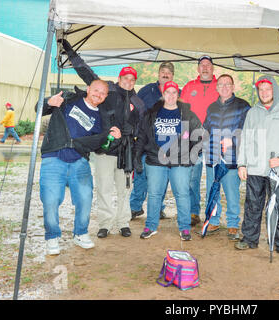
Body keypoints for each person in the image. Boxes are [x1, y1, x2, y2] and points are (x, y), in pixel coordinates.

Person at [61, 39, 145, 239]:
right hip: (104, 150)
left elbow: (142, 129)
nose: (128, 82)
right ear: (119, 78)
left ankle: (123, 222)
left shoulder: (138, 102)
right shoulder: (107, 91)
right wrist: (71, 54)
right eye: (125, 78)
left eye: (132, 79)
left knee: (124, 189)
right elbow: (87, 73)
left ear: (134, 82)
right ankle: (105, 224)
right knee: (104, 188)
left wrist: (131, 132)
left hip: (125, 153)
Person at [39, 80, 121, 255]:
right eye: (96, 90)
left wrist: (114, 139)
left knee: (85, 198)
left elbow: (100, 147)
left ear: (106, 97)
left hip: (79, 161)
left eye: (102, 93)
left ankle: (80, 233)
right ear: (88, 89)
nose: (98, 95)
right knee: (50, 200)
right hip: (54, 157)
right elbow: (38, 108)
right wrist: (48, 102)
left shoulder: (101, 118)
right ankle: (52, 236)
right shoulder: (69, 99)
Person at [235, 75, 279, 258]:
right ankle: (249, 238)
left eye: (267, 89)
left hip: (277, 170)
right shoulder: (252, 113)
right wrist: (242, 163)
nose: (264, 93)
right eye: (261, 89)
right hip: (255, 168)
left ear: (274, 90)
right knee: (252, 204)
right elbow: (245, 140)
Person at [134, 81, 202, 241]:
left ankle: (184, 228)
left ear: (178, 95)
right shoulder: (151, 113)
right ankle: (150, 226)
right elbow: (143, 136)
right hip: (155, 160)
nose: (171, 96)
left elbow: (198, 137)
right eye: (168, 92)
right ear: (163, 94)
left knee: (182, 194)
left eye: (174, 92)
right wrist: (137, 156)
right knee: (155, 194)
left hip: (180, 162)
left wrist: (190, 156)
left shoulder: (187, 114)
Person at [202, 74, 250, 241]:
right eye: (221, 84)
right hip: (213, 157)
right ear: (216, 87)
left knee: (231, 192)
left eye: (227, 84)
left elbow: (247, 131)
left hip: (232, 158)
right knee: (212, 190)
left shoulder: (243, 106)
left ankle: (232, 223)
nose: (224, 87)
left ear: (233, 86)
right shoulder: (211, 107)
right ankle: (214, 220)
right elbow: (206, 128)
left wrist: (233, 139)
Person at [130, 62, 180, 220]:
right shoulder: (146, 90)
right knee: (141, 175)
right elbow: (134, 109)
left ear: (172, 76)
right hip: (146, 140)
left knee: (162, 178)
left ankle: (158, 208)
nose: (165, 74)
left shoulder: (178, 92)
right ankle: (135, 207)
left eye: (169, 72)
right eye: (163, 72)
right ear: (158, 74)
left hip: (166, 143)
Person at [180, 55, 219, 227]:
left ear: (213, 68)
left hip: (214, 138)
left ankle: (212, 216)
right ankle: (193, 212)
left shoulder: (221, 86)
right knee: (192, 178)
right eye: (202, 65)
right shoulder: (189, 87)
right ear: (198, 69)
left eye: (208, 65)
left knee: (213, 179)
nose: (205, 67)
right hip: (192, 138)